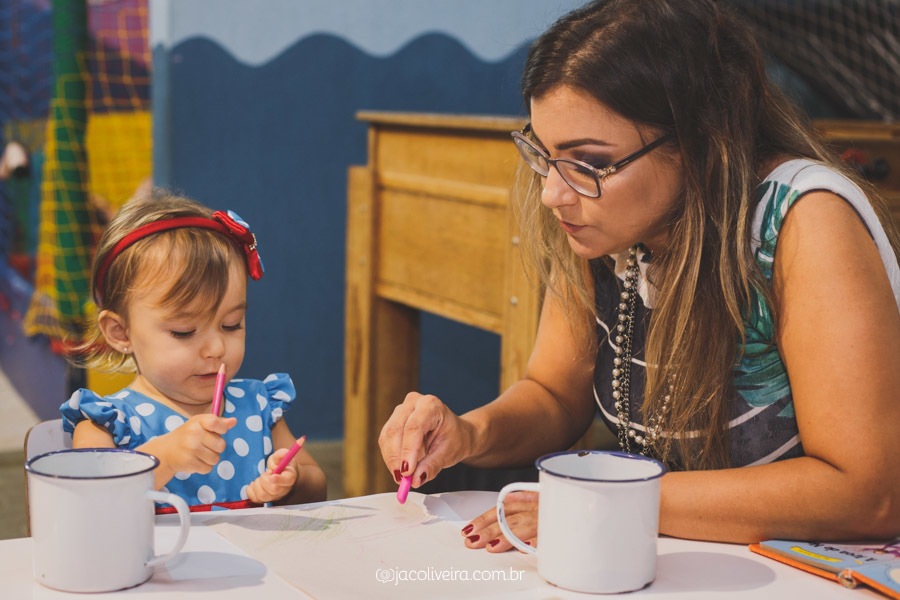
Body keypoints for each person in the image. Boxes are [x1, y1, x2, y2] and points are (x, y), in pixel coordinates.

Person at [379, 0, 900, 547]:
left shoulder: (803, 221)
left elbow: (871, 493)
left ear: (699, 143)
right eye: (545, 155)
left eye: (588, 162)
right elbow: (555, 394)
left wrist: (604, 502)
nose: (553, 193)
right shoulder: (603, 222)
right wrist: (469, 433)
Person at [61, 190, 327, 508]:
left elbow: (318, 488)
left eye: (231, 325)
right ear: (121, 332)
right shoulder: (106, 423)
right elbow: (91, 507)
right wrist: (165, 457)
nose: (216, 348)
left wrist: (291, 480)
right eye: (184, 332)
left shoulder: (257, 406)